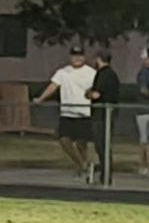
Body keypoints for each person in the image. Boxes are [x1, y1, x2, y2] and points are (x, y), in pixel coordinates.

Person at [31, 46, 96, 181]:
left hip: (84, 113)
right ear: (70, 57)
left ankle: (82, 171)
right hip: (67, 113)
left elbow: (96, 90)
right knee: (64, 140)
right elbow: (53, 86)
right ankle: (83, 165)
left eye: (79, 56)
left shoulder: (91, 73)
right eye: (74, 56)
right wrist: (41, 98)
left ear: (84, 57)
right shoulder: (63, 72)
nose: (77, 58)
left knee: (81, 143)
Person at [87, 51, 121, 186]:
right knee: (104, 146)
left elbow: (96, 94)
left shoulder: (103, 74)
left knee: (102, 146)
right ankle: (105, 175)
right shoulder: (113, 75)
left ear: (98, 59)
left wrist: (87, 93)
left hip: (101, 115)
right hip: (109, 114)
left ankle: (105, 176)